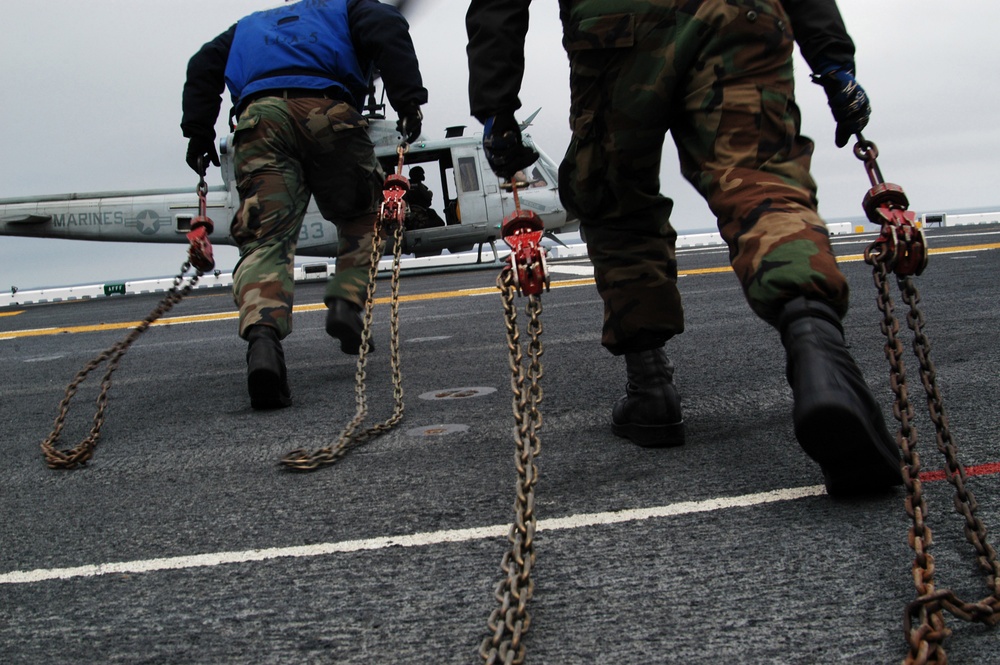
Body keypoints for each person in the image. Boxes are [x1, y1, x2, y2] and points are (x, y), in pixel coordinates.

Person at [466, 0, 902, 496]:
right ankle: (818, 351)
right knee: (760, 182)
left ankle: (652, 390)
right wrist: (834, 63)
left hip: (617, 23)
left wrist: (496, 107)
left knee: (616, 197)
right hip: (743, 16)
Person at [181, 0, 427, 410]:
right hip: (330, 111)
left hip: (260, 122)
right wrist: (408, 100)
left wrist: (198, 133)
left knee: (266, 241)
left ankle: (263, 342)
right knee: (363, 216)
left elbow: (202, 65)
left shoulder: (246, 26)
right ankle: (347, 303)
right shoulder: (347, 9)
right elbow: (388, 26)